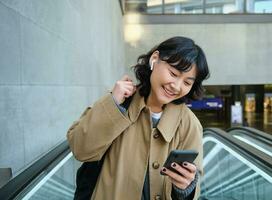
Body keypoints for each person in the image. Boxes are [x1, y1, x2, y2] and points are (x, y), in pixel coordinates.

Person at [67, 36, 210, 200]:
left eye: (187, 83)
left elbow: (194, 187)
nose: (176, 86)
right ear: (154, 59)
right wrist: (112, 103)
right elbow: (80, 149)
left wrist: (186, 188)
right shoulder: (120, 103)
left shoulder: (189, 123)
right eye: (173, 73)